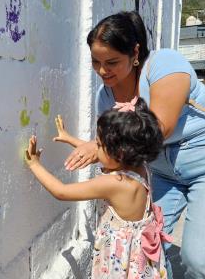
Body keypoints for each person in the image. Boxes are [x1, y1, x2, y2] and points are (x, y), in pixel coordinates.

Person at [63, 11, 205, 279]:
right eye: (96, 62)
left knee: (199, 261)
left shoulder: (164, 65)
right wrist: (93, 152)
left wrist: (98, 147)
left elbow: (160, 127)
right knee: (144, 245)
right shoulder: (105, 96)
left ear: (135, 52)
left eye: (112, 62)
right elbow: (117, 154)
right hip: (161, 173)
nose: (103, 70)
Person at [25, 97, 170, 278]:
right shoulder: (141, 167)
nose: (94, 149)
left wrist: (35, 165)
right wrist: (69, 138)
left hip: (119, 260)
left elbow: (61, 191)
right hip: (139, 258)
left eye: (99, 145)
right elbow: (104, 156)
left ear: (120, 152)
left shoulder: (115, 182)